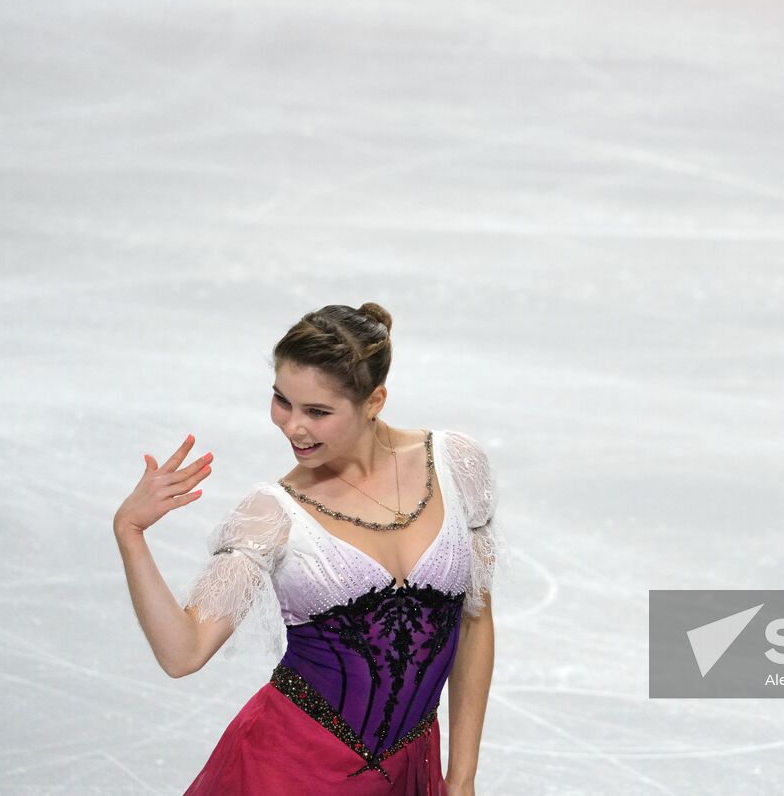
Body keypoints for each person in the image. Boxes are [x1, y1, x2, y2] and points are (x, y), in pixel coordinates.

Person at [113, 302, 499, 795]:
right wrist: (131, 532)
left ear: (374, 400)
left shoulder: (456, 465)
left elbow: (475, 617)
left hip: (408, 772)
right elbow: (182, 653)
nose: (293, 426)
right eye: (282, 401)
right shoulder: (271, 514)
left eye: (317, 412)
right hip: (287, 770)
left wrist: (462, 776)